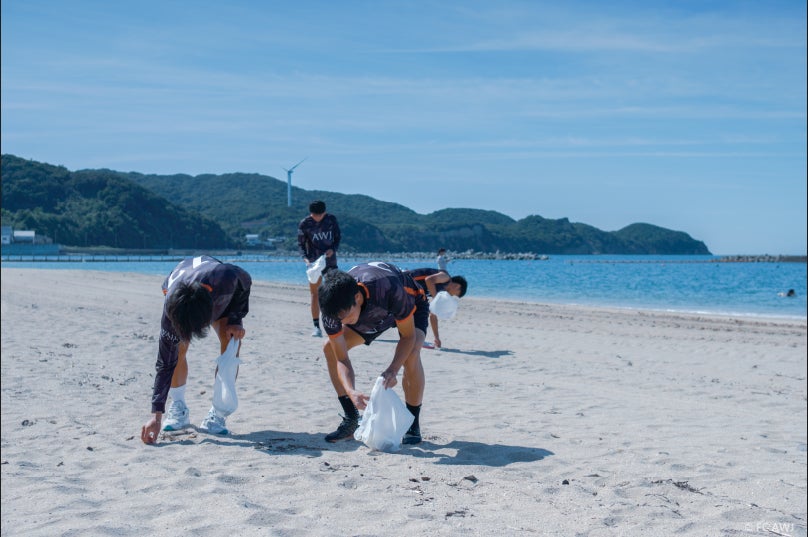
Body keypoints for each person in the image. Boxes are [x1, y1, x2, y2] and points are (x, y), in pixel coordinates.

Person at [141, 255, 252, 445]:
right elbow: (164, 364)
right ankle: (178, 407)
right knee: (176, 349)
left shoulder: (225, 276)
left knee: (232, 340)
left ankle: (218, 414)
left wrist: (235, 318)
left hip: (214, 292)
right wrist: (156, 416)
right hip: (183, 293)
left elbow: (245, 280)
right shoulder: (170, 311)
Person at [318, 262, 429, 445]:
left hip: (411, 301)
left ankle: (412, 425)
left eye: (346, 317)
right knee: (329, 348)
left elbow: (408, 337)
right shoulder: (332, 310)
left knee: (411, 354)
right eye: (339, 320)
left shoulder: (388, 288)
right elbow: (341, 357)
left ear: (357, 297)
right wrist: (351, 391)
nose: (343, 322)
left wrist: (393, 369)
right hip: (372, 313)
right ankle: (351, 418)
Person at [298, 200, 341, 337]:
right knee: (315, 294)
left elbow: (337, 237)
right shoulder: (305, 223)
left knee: (334, 293)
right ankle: (316, 327)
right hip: (313, 263)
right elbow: (300, 244)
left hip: (330, 261)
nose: (317, 217)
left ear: (324, 212)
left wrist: (333, 249)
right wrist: (305, 258)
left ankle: (336, 324)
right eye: (314, 215)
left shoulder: (331, 220)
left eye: (320, 215)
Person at [405, 267, 468, 349]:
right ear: (457, 286)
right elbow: (429, 279)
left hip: (408, 289)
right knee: (420, 311)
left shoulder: (440, 292)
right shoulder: (445, 277)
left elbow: (433, 315)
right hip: (404, 280)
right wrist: (435, 300)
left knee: (420, 310)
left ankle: (415, 337)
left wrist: (436, 338)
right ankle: (416, 338)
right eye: (455, 294)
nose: (452, 296)